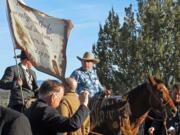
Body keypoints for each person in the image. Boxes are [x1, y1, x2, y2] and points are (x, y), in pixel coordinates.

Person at [26, 79, 90, 135]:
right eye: (60, 99)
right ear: (53, 97)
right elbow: (73, 124)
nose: (59, 103)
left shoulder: (30, 108)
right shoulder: (47, 111)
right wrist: (84, 104)